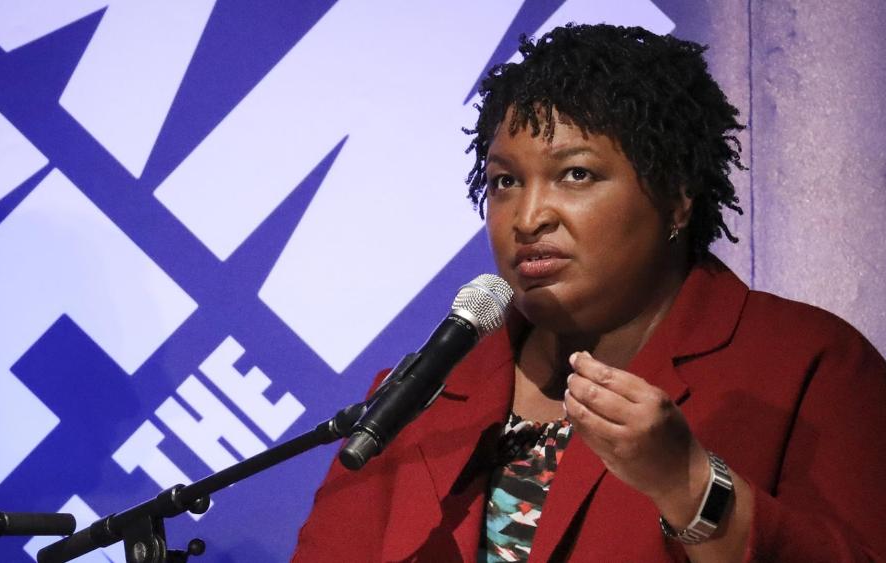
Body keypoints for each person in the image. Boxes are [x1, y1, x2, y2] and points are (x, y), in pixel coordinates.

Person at [293, 24, 886, 562]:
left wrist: (689, 485)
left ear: (677, 197)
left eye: (575, 174)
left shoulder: (806, 364)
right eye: (505, 182)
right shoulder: (422, 397)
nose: (529, 217)